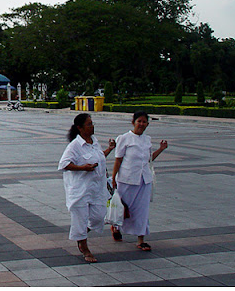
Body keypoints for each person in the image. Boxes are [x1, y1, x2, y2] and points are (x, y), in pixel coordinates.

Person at [58, 113, 116, 263]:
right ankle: (84, 247)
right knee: (80, 219)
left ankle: (82, 232)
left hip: (97, 189)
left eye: (92, 123)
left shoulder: (94, 142)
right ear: (80, 128)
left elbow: (98, 157)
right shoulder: (74, 146)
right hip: (80, 191)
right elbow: (63, 164)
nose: (92, 126)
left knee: (98, 217)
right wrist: (82, 167)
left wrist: (109, 149)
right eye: (89, 124)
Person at [111, 111, 168, 251]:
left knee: (142, 210)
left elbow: (149, 160)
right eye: (139, 121)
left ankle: (141, 239)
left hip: (144, 180)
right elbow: (118, 159)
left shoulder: (147, 139)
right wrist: (113, 178)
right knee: (123, 208)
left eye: (144, 122)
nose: (142, 124)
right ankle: (116, 226)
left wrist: (161, 149)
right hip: (126, 179)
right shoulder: (124, 138)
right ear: (133, 122)